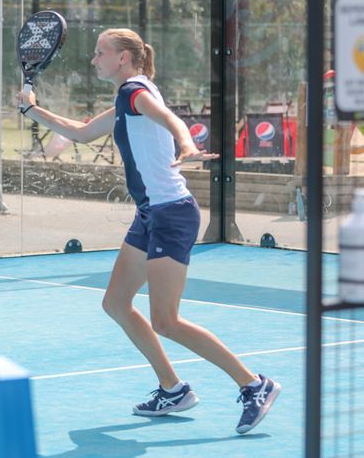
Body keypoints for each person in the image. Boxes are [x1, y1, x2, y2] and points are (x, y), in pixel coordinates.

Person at [16, 28, 280, 434]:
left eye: (100, 53)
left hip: (171, 214)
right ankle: (173, 389)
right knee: (116, 303)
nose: (94, 60)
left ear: (123, 57)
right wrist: (32, 110)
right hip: (150, 213)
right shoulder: (128, 97)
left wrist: (185, 142)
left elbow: (169, 117)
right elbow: (82, 132)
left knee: (167, 320)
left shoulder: (134, 92)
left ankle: (253, 384)